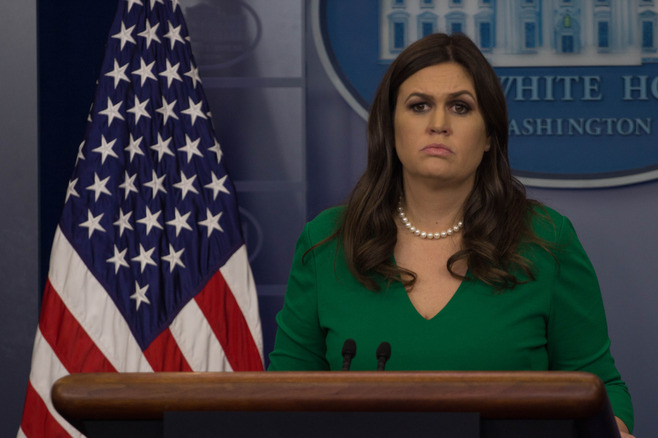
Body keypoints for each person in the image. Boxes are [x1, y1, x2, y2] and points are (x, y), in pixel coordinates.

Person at [268, 33, 635, 437]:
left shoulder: (546, 239)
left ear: (489, 137)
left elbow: (599, 387)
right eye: (419, 106)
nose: (438, 124)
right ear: (390, 128)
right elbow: (284, 398)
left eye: (460, 107)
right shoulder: (327, 241)